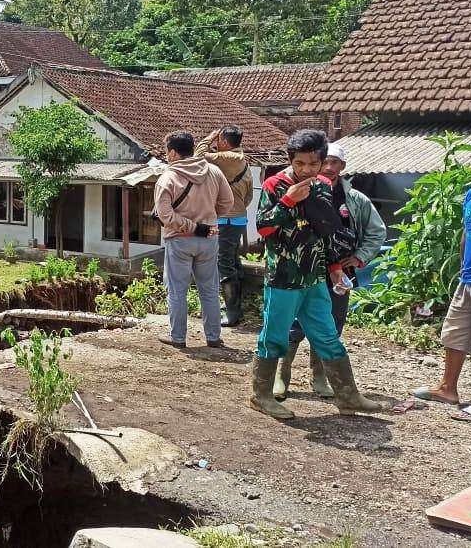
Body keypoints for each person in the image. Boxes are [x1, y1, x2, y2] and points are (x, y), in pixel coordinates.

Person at [250, 129, 382, 419]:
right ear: (290, 160)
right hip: (283, 279)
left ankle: (348, 396)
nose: (306, 170)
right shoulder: (275, 185)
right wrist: (288, 201)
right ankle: (261, 395)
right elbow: (263, 228)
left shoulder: (322, 185)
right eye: (300, 164)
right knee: (274, 336)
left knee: (328, 335)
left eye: (313, 164)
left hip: (314, 278)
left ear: (323, 162)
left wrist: (335, 268)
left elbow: (325, 232)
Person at [276, 143, 386, 400]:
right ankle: (282, 375)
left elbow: (377, 232)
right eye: (325, 161)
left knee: (331, 325)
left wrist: (359, 258)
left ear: (343, 167)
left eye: (335, 162)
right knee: (293, 324)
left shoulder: (356, 199)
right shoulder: (299, 190)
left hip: (339, 272)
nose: (329, 167)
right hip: (304, 269)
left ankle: (319, 377)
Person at [411, 146, 471, 422]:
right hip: (469, 276)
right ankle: (447, 389)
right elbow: (467, 230)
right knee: (455, 333)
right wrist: (461, 265)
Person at [154, 131, 234, 349]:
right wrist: (207, 219)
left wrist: (191, 227)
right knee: (209, 289)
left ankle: (178, 338)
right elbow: (228, 202)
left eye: (166, 151)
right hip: (209, 238)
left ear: (172, 153)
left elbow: (165, 216)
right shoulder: (214, 171)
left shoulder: (167, 178)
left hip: (179, 240)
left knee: (177, 290)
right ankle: (213, 337)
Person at [196, 126, 254, 327]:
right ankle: (236, 310)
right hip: (238, 219)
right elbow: (249, 196)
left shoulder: (227, 157)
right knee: (233, 261)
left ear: (224, 141)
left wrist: (209, 136)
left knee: (224, 264)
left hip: (226, 220)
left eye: (219, 139)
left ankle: (232, 314)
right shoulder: (242, 160)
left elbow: (198, 155)